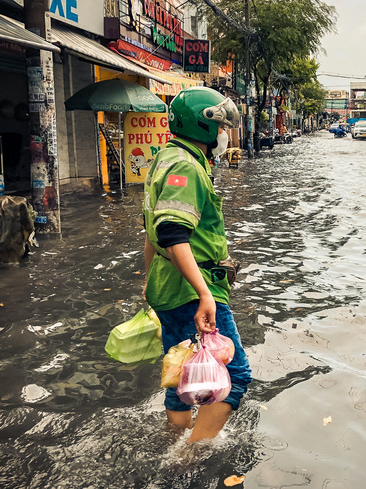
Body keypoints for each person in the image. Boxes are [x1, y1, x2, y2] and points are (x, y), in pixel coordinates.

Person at [142, 86, 252, 443]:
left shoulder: (166, 157)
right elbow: (173, 232)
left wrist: (148, 280)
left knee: (182, 368)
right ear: (204, 127)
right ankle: (190, 455)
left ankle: (174, 436)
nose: (224, 134)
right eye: (221, 127)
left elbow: (152, 230)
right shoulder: (186, 166)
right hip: (192, 287)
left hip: (169, 284)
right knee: (234, 376)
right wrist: (205, 294)